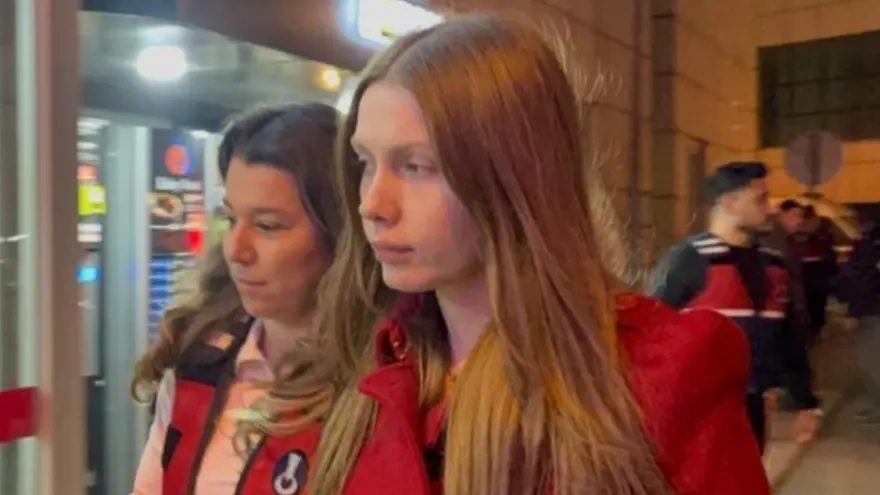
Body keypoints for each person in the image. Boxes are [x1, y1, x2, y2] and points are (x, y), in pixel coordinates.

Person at [240, 15, 769, 495]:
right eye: (365, 163)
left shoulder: (658, 378)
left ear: (512, 178)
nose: (372, 205)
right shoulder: (364, 361)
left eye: (416, 166)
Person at [130, 103, 343, 495]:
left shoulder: (381, 387)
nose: (236, 250)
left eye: (267, 226)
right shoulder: (199, 363)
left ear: (341, 236)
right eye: (230, 219)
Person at [650, 162, 822, 453]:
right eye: (760, 199)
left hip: (752, 408)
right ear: (730, 203)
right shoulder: (689, 260)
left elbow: (790, 338)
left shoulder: (773, 266)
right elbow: (650, 330)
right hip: (697, 408)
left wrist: (806, 403)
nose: (771, 209)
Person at [834, 212, 880, 423]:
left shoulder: (869, 248)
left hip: (871, 311)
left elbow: (864, 282)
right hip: (872, 309)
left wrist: (853, 312)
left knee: (870, 361)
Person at [794, 205, 839, 342]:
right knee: (815, 300)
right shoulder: (822, 228)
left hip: (813, 268)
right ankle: (814, 328)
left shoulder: (819, 229)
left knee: (814, 300)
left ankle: (814, 328)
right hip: (814, 268)